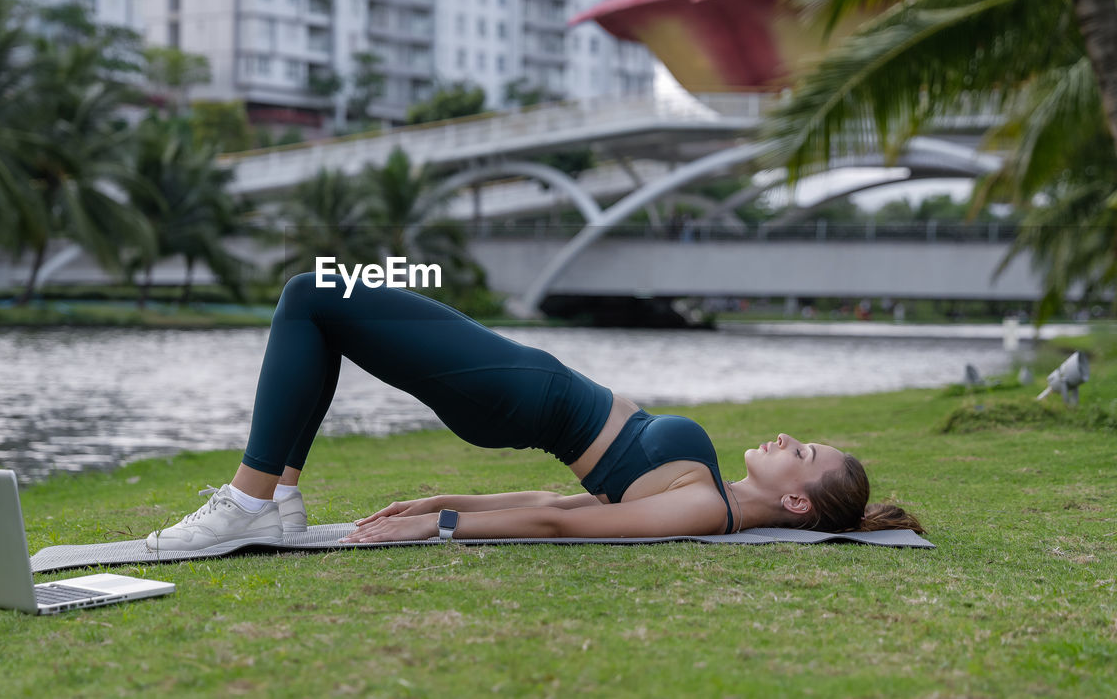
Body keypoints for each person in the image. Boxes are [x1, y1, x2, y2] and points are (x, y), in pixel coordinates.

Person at [147, 272, 923, 552]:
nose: (788, 439)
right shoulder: (709, 493)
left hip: (520, 393)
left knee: (311, 294)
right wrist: (444, 499)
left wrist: (438, 529)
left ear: (795, 499)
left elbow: (564, 526)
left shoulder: (703, 506)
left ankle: (249, 500)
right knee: (320, 311)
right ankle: (274, 498)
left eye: (804, 452)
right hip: (524, 386)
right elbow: (562, 501)